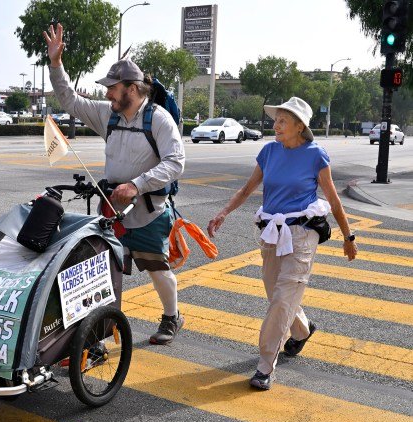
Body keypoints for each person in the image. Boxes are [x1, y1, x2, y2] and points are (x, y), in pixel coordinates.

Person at [44, 23, 186, 344]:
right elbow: (70, 100)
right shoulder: (108, 114)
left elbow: (175, 162)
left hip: (148, 209)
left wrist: (137, 185)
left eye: (113, 87)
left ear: (132, 89)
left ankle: (171, 316)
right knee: (100, 269)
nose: (107, 93)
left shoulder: (158, 119)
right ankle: (97, 330)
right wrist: (56, 65)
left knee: (155, 267)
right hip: (111, 207)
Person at [207, 97, 357, 390]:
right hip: (272, 233)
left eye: (282, 121)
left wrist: (348, 237)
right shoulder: (269, 152)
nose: (275, 125)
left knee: (282, 299)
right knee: (275, 292)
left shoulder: (316, 155)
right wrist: (223, 212)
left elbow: (334, 200)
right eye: (275, 120)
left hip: (302, 234)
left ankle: (265, 366)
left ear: (300, 126)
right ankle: (301, 329)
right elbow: (248, 188)